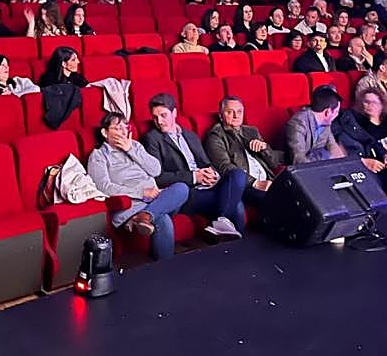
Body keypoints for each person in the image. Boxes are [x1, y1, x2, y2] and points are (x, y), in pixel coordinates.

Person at [142, 94, 245, 240]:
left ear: (174, 113)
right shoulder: (152, 138)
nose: (159, 121)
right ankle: (225, 227)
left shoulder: (189, 135)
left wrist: (212, 174)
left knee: (238, 174)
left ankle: (222, 222)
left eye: (163, 115)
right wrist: (194, 177)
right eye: (155, 117)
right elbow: (158, 177)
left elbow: (206, 163)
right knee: (237, 205)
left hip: (207, 185)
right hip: (187, 191)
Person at [87, 113, 188, 260]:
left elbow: (156, 170)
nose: (123, 132)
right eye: (117, 128)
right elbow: (103, 187)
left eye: (125, 127)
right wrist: (141, 192)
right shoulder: (99, 156)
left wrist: (131, 150)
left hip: (156, 199)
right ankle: (165, 268)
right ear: (105, 132)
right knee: (163, 220)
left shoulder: (135, 146)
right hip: (132, 205)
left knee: (182, 188)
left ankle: (145, 216)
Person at [205, 95, 285, 209]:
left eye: (239, 111)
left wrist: (265, 149)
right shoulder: (215, 136)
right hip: (245, 187)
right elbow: (224, 167)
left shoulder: (251, 131)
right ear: (221, 116)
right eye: (230, 112)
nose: (236, 116)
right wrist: (255, 183)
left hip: (269, 180)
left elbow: (274, 163)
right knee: (278, 202)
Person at [286, 85, 347, 163]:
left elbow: (332, 146)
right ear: (328, 112)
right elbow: (298, 159)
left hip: (314, 162)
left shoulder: (325, 123)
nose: (337, 115)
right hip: (293, 165)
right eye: (336, 112)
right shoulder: (297, 124)